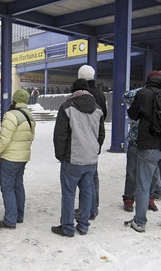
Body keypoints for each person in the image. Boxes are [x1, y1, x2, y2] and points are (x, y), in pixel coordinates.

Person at [51, 79, 105, 237]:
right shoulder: (98, 109)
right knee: (87, 191)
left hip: (72, 159)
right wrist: (95, 150)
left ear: (73, 90)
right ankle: (83, 225)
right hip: (91, 159)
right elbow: (101, 135)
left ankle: (67, 227)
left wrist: (60, 155)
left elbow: (60, 135)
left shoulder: (67, 107)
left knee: (68, 193)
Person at [0, 89, 35, 229]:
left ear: (14, 100)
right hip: (23, 157)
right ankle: (19, 215)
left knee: (7, 187)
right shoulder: (29, 116)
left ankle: (10, 219)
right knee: (18, 185)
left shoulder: (11, 115)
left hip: (10, 157)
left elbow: (4, 137)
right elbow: (31, 137)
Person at [125, 71, 161, 232]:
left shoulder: (143, 93)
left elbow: (132, 113)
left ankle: (139, 222)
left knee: (143, 184)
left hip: (148, 144)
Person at [75, 65, 108, 220]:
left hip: (82, 142)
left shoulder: (81, 94)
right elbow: (103, 117)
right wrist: (99, 143)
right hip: (95, 141)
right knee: (93, 176)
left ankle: (87, 209)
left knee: (85, 179)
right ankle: (93, 208)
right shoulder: (100, 94)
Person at [122, 86, 159, 212]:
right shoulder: (140, 95)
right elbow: (126, 96)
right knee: (132, 172)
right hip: (135, 140)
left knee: (154, 174)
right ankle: (129, 198)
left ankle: (149, 198)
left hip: (152, 142)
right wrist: (143, 91)